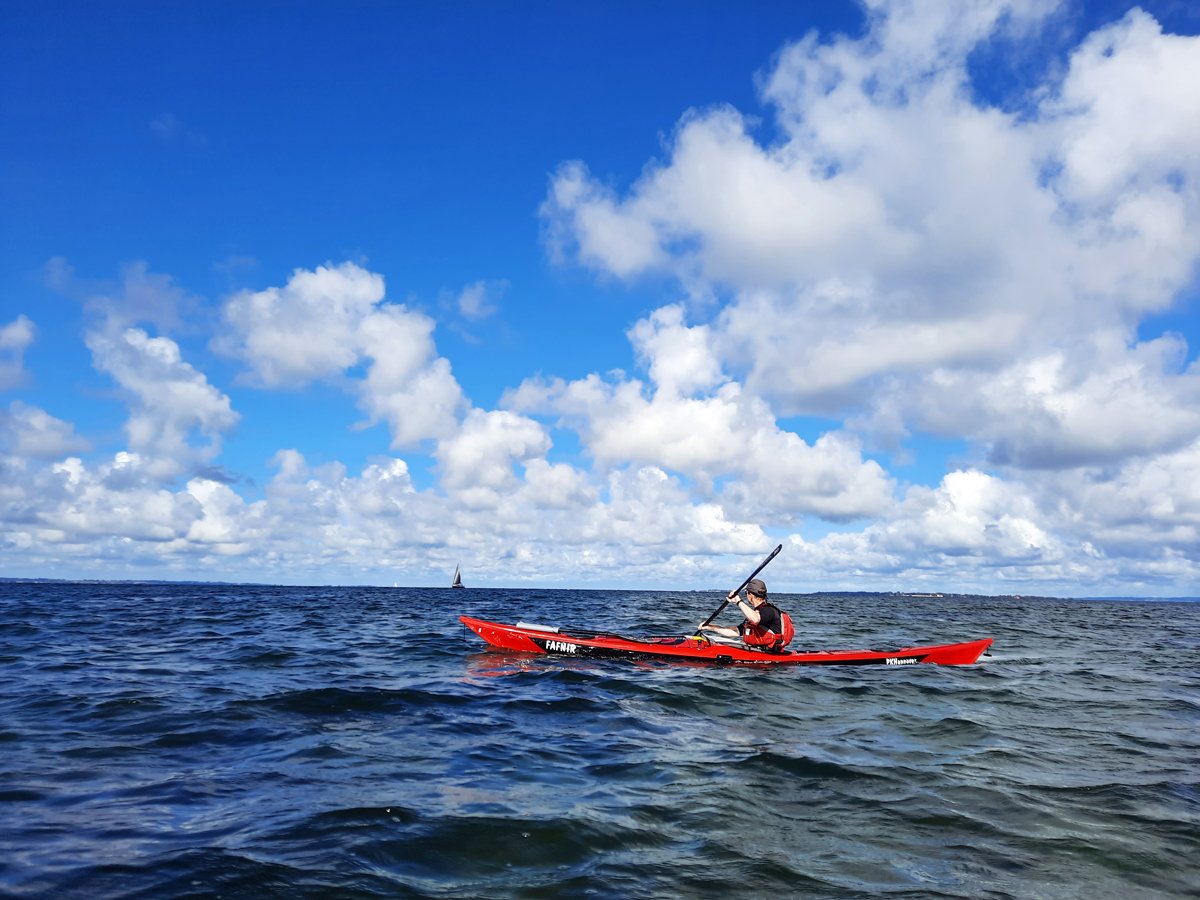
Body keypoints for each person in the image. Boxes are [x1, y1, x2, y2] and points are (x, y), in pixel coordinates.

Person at [698, 578, 791, 650]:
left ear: (750, 595)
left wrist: (738, 601)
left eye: (746, 593)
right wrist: (710, 627)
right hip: (757, 651)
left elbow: (755, 619)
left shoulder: (768, 610)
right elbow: (736, 631)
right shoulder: (754, 613)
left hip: (769, 657)